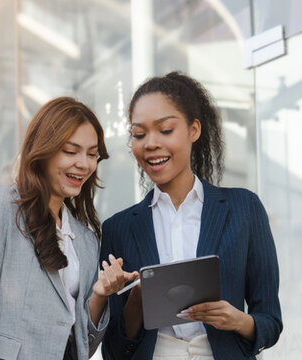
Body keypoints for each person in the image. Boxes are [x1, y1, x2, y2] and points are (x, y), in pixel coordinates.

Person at [100, 72, 282, 360]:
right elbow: (114, 349)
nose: (150, 143)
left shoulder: (243, 209)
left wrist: (239, 321)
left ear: (193, 130)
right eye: (139, 134)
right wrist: (136, 303)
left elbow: (270, 321)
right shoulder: (117, 229)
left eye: (165, 130)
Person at [0, 97, 139, 360]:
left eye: (92, 154)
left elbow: (82, 345)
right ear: (43, 150)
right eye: (71, 151)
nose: (84, 164)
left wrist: (99, 295)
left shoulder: (84, 239)